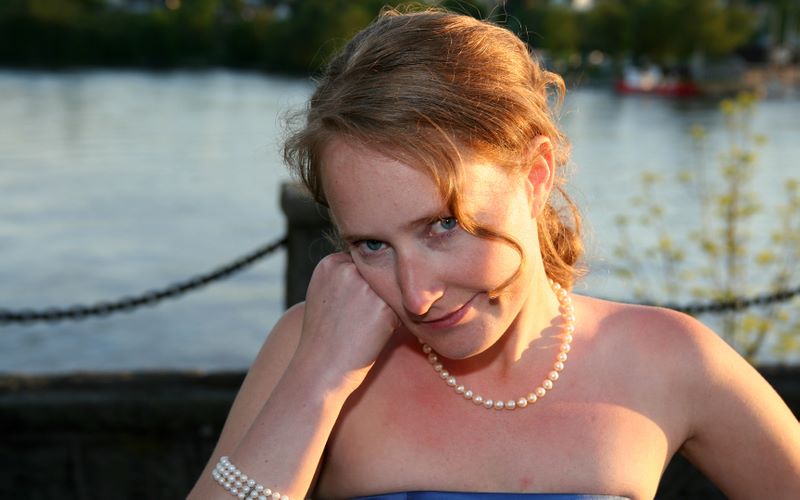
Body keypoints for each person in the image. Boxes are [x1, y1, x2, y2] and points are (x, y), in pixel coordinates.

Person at [188, 9, 800, 500]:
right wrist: (316, 383)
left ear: (534, 177)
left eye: (443, 226)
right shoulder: (308, 351)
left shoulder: (668, 360)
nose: (415, 295)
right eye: (372, 245)